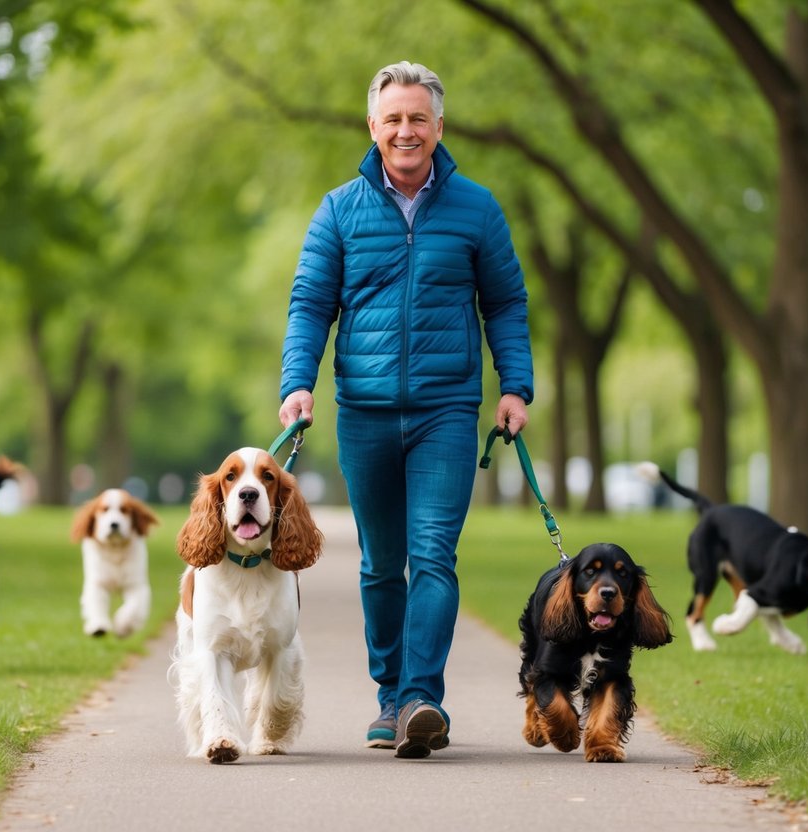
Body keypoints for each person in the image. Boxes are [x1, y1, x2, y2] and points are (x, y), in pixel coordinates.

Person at [278, 61, 534, 759]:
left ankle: (423, 696)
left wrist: (516, 387)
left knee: (432, 557)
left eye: (417, 118)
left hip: (446, 412)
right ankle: (390, 696)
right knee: (379, 564)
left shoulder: (476, 208)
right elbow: (309, 305)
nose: (405, 130)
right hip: (362, 410)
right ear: (372, 127)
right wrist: (296, 384)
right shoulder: (338, 210)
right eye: (392, 118)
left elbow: (506, 303)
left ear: (439, 126)